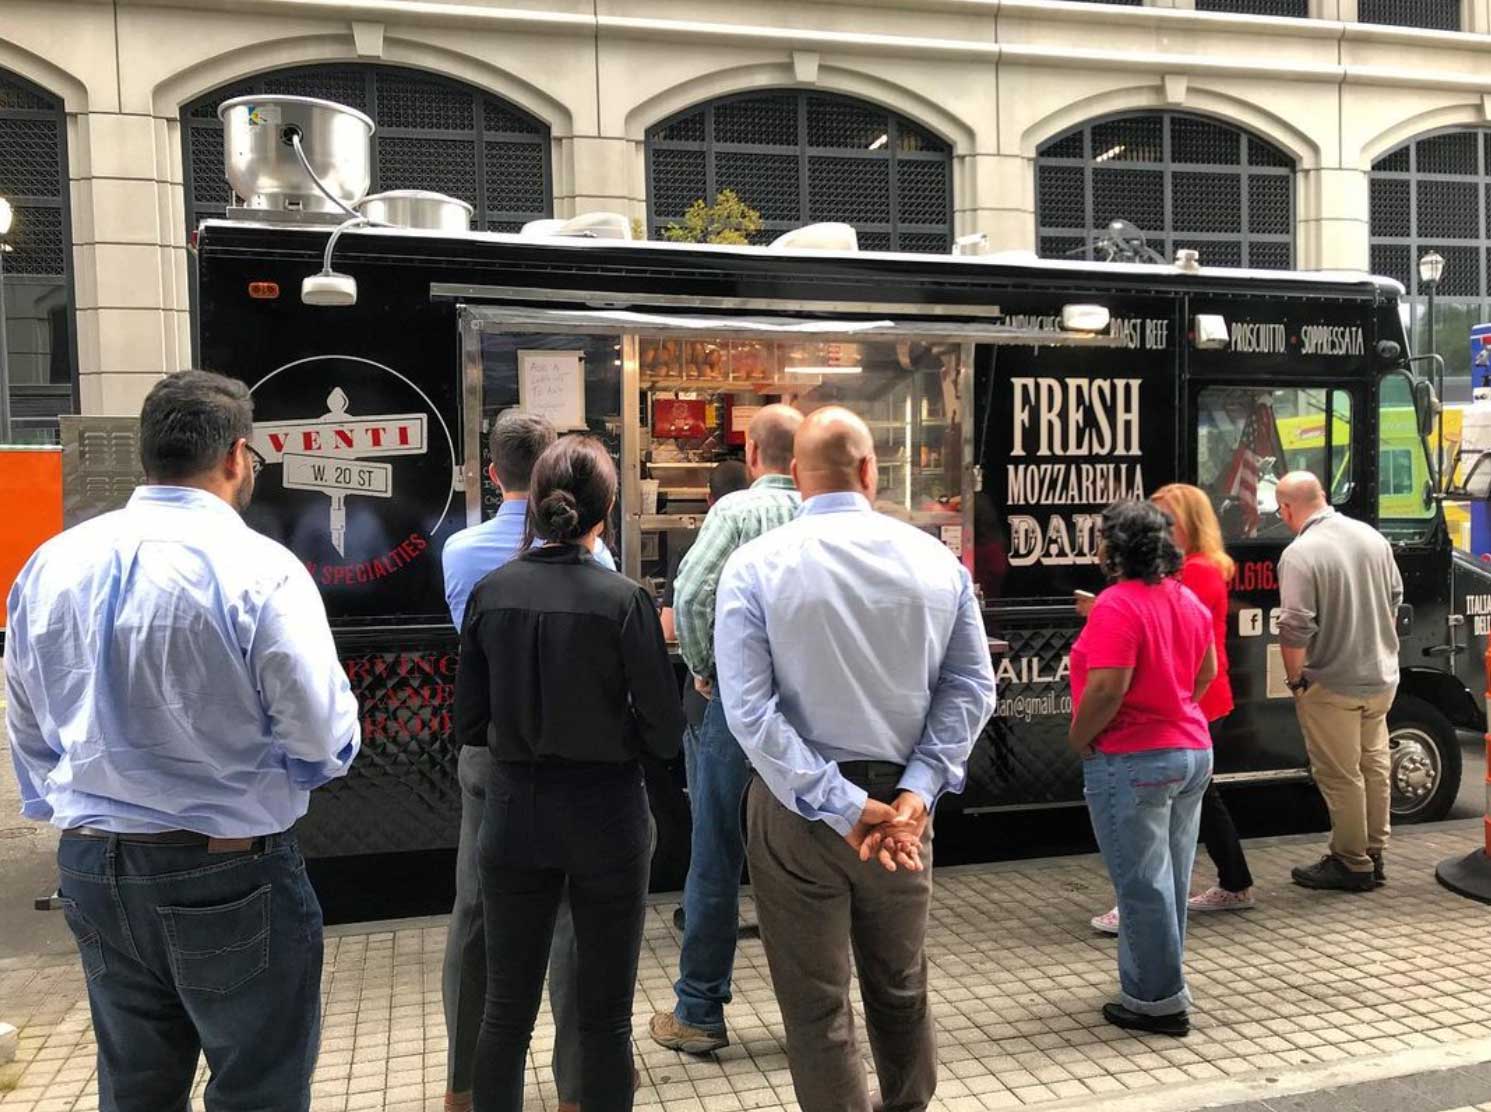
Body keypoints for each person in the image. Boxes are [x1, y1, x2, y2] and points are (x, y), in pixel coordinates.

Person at [5, 369, 360, 1112]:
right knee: (256, 1087)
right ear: (236, 456)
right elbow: (322, 738)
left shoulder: (50, 563)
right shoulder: (261, 571)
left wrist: (75, 806)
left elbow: (28, 726)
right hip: (227, 870)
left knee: (134, 1087)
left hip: (91, 865)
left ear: (147, 455)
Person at [715, 406, 996, 1111]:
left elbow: (748, 710)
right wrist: (918, 791)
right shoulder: (935, 560)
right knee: (900, 987)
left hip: (794, 811)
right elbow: (971, 686)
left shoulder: (753, 566)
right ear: (870, 471)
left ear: (789, 474)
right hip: (902, 813)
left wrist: (838, 804)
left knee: (816, 1006)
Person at [455, 435, 682, 1111]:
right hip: (607, 815)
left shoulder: (491, 593)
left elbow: (468, 722)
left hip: (514, 811)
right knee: (604, 1016)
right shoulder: (624, 601)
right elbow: (665, 731)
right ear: (604, 511)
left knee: (505, 1011)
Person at [440, 410, 615, 1112]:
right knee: (574, 919)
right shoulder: (597, 559)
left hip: (489, 755)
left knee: (477, 917)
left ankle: (463, 1083)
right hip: (576, 757)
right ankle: (577, 1087)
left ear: (492, 472)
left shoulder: (458, 553)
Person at [650, 405, 803, 1055]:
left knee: (715, 851)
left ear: (752, 451)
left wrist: (708, 668)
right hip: (811, 709)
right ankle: (812, 1012)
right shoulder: (823, 513)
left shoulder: (735, 512)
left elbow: (689, 595)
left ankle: (699, 1011)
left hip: (734, 708)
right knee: (806, 856)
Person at [1070, 499, 1216, 1038]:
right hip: (1191, 751)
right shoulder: (1186, 600)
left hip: (1133, 757)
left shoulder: (1115, 606)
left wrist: (1080, 737)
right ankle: (1151, 984)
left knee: (1140, 885)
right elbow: (1207, 671)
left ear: (1114, 548)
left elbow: (1108, 687)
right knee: (1170, 881)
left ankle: (1158, 1001)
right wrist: (1176, 705)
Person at [1089, 483, 1254, 934]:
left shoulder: (1195, 573)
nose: (1155, 526)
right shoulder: (1200, 569)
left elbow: (1175, 631)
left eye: (1165, 517)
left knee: (1169, 809)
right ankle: (1233, 881)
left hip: (1188, 699)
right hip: (1195, 698)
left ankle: (1155, 900)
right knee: (1198, 798)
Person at [1275, 472, 1402, 892]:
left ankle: (1351, 862)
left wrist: (1296, 680)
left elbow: (1295, 627)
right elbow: (1395, 597)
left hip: (1332, 681)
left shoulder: (1300, 553)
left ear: (1288, 508)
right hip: (1382, 676)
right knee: (1375, 765)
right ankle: (1375, 852)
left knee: (1340, 774)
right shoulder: (1372, 538)